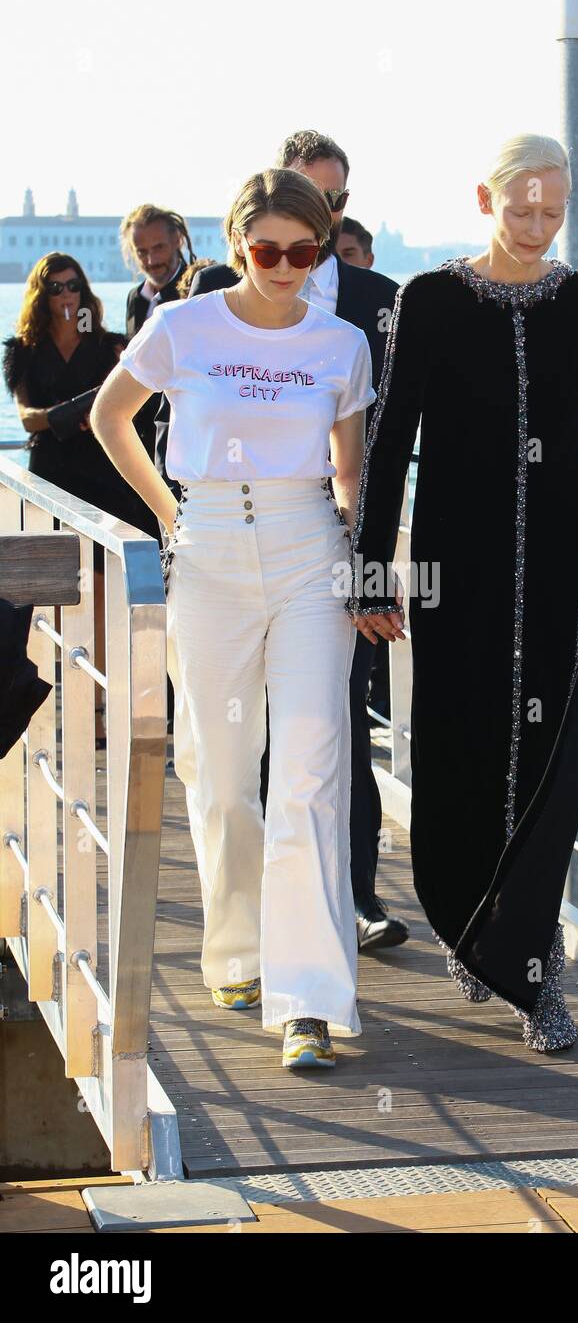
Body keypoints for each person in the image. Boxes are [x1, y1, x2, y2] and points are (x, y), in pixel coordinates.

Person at [347, 133, 578, 1053]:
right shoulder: (432, 301)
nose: (536, 227)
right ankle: (467, 925)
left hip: (565, 574)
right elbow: (389, 443)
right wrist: (371, 576)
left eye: (553, 212)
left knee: (555, 771)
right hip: (457, 575)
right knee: (460, 760)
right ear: (484, 202)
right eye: (521, 209)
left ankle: (534, 972)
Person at [91, 169, 376, 1071]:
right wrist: (169, 517)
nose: (286, 266)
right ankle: (239, 954)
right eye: (267, 250)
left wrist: (369, 573)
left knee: (307, 774)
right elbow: (111, 418)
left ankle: (309, 1002)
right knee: (219, 775)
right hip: (208, 545)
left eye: (306, 250)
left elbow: (352, 473)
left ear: (323, 248)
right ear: (236, 244)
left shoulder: (342, 344)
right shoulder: (183, 326)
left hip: (307, 552)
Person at [189, 130, 408, 954]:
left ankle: (349, 901)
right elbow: (153, 409)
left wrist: (377, 563)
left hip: (333, 543)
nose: (302, 248)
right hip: (225, 545)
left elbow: (395, 437)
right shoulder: (211, 293)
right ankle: (242, 934)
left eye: (335, 209)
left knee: (332, 730)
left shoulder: (380, 305)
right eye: (306, 207)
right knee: (234, 757)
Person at [2, 252, 160, 745]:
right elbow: (26, 417)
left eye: (73, 286)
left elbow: (139, 401)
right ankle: (58, 701)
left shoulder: (110, 346)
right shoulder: (23, 350)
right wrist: (80, 409)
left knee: (107, 589)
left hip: (106, 479)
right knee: (49, 591)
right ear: (40, 295)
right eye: (55, 288)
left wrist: (73, 414)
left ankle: (107, 707)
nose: (66, 295)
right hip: (51, 479)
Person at [120, 203, 197, 500]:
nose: (151, 260)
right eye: (141, 252)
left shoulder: (198, 288)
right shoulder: (134, 298)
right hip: (141, 434)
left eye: (159, 248)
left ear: (177, 240)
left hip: (181, 439)